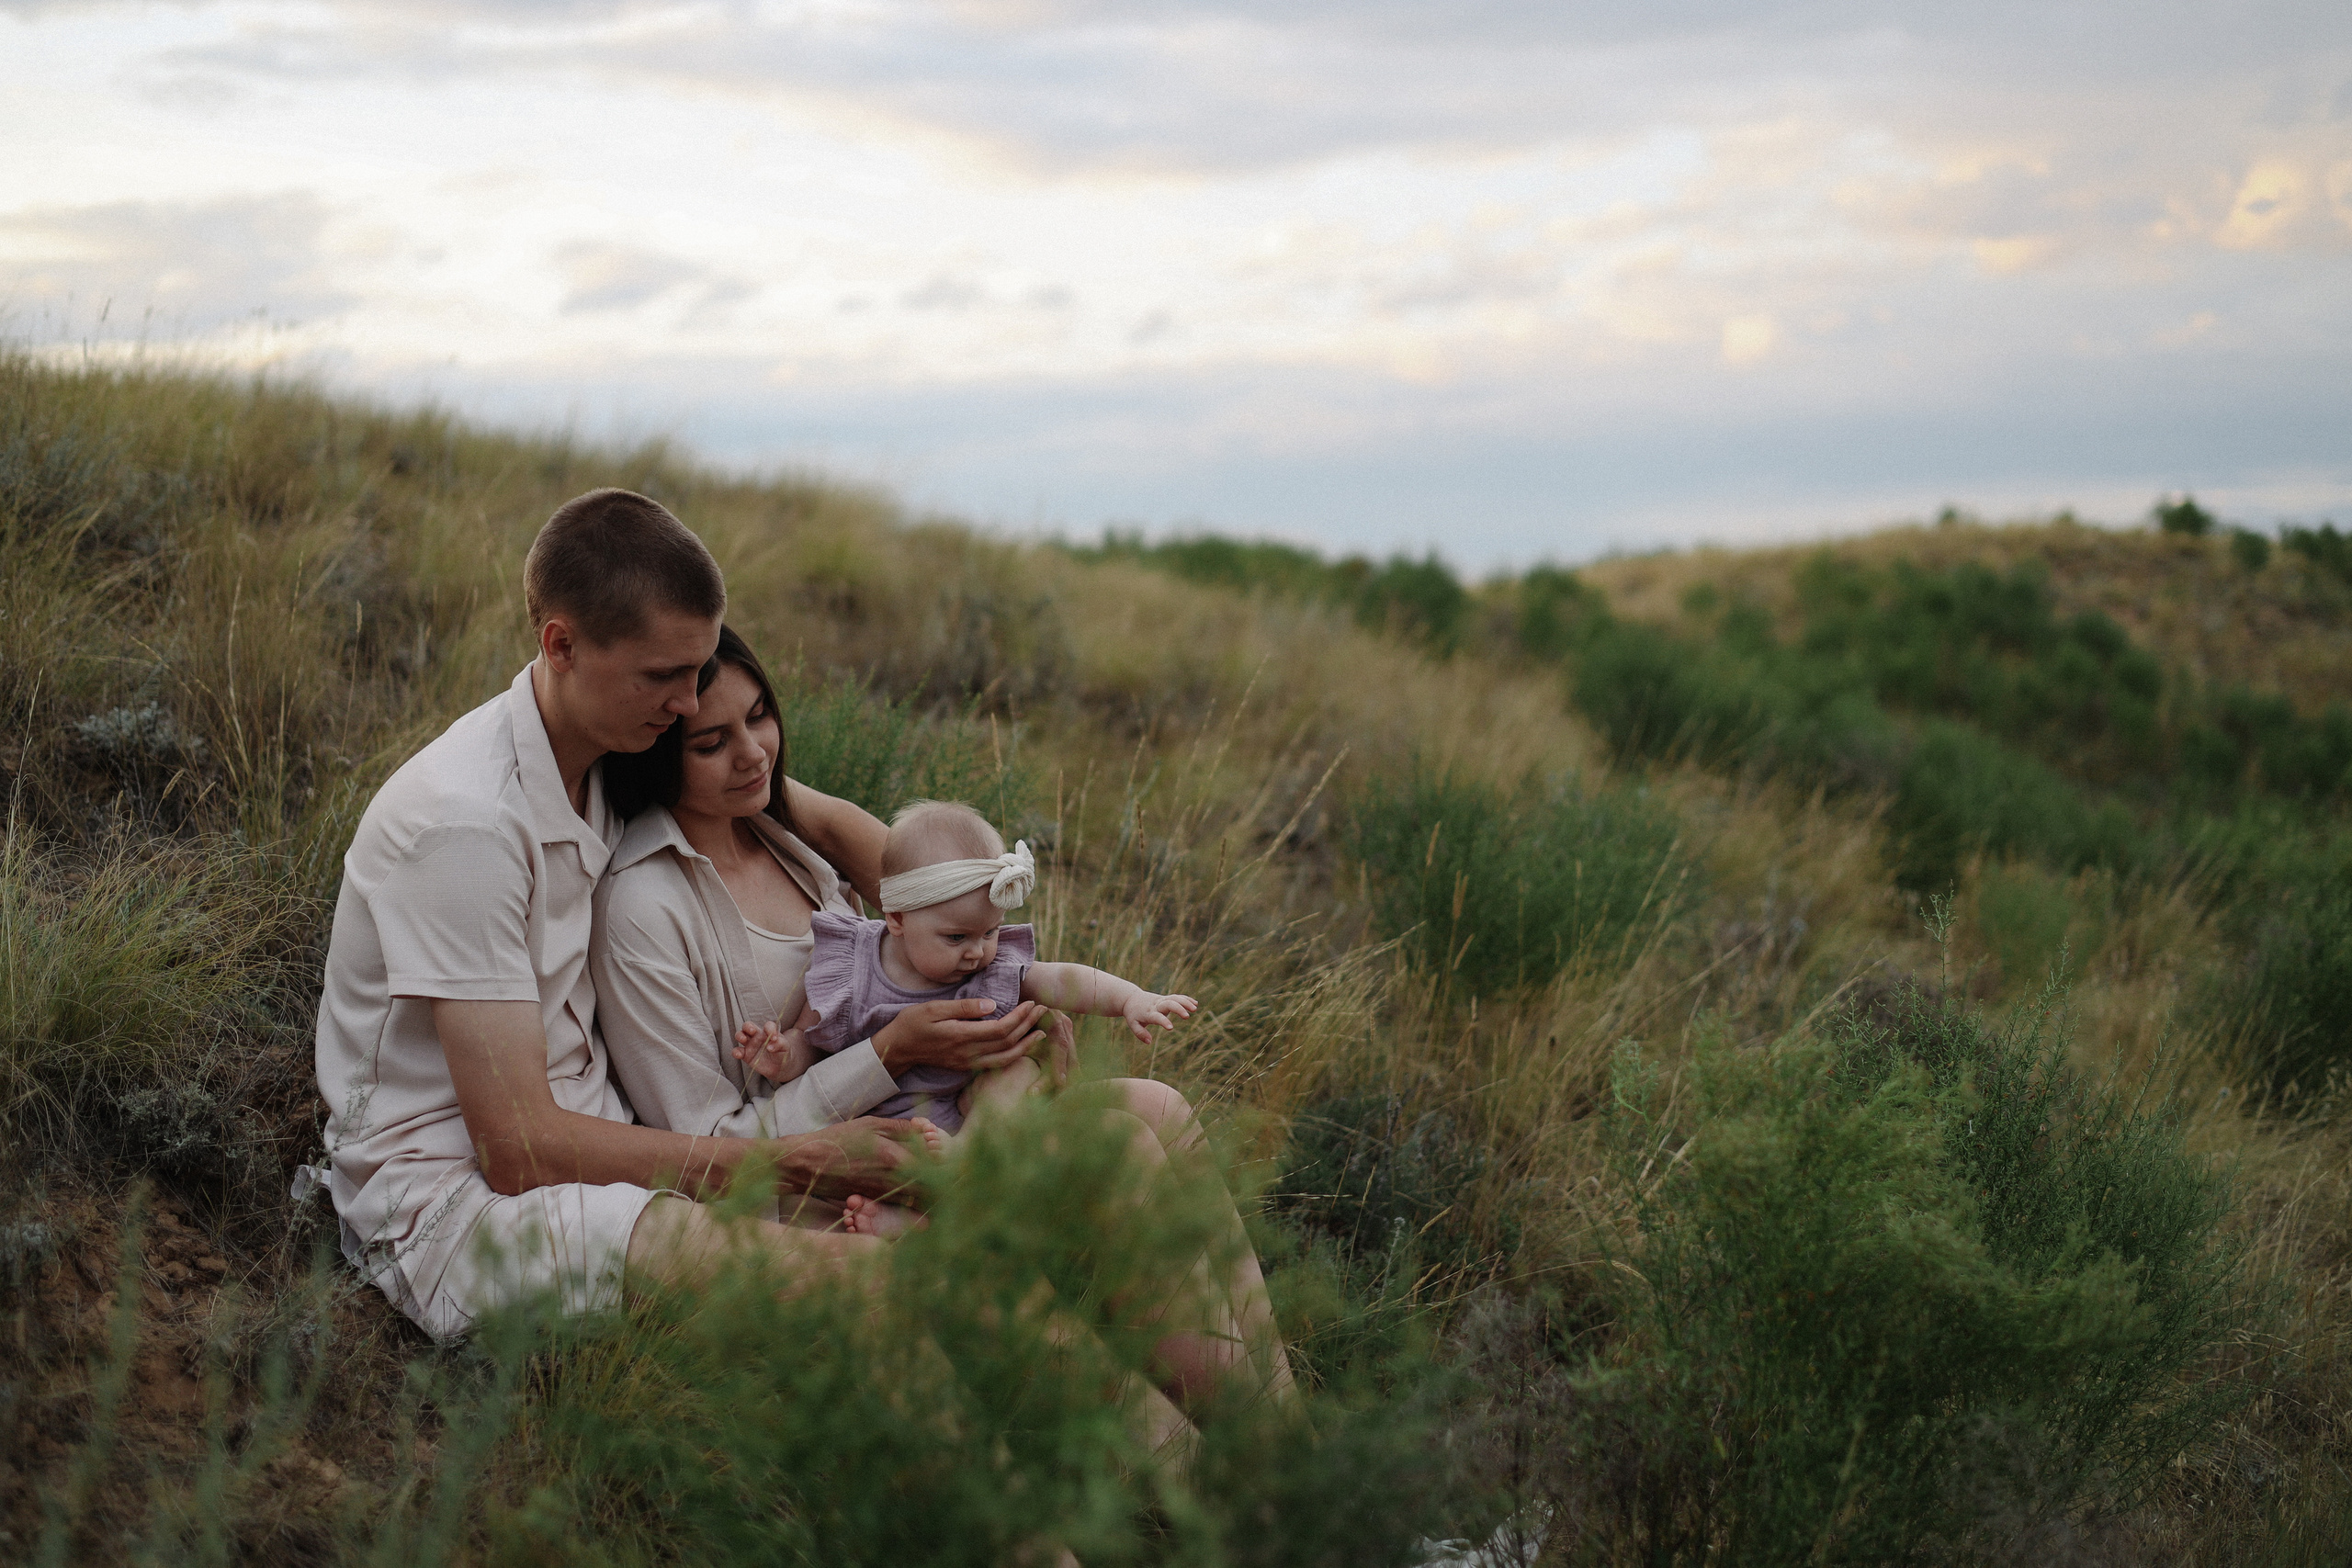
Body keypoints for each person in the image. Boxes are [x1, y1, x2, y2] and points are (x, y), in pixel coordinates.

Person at [312, 489, 1044, 1340]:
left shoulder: (607, 757)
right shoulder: (465, 825)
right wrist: (785, 1161)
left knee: (1063, 1189)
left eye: (698, 674)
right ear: (560, 644)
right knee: (897, 1282)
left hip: (610, 1160)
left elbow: (851, 838)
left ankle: (1190, 1457)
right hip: (458, 1208)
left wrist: (1010, 983)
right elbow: (516, 1150)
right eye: (665, 679)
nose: (691, 705)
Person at [592, 629, 1296, 1415]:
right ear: (659, 748)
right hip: (823, 1183)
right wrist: (892, 1052)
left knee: (1163, 1106)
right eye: (711, 741)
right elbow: (707, 1148)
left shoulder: (782, 832)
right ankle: (1211, 1462)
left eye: (761, 716)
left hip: (929, 1121)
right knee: (1121, 1148)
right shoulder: (645, 904)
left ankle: (1278, 1422)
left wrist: (1006, 1009)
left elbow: (919, 892)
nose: (754, 753)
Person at [737, 799, 1197, 1235]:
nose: (978, 951)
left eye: (991, 931)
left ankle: (958, 1179)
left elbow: (1059, 979)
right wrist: (782, 1056)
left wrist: (1130, 999)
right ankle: (915, 1223)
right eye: (956, 937)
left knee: (1016, 1072)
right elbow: (808, 1040)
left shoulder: (987, 966)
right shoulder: (848, 968)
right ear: (896, 918)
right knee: (878, 1172)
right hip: (877, 1130)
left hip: (968, 1124)